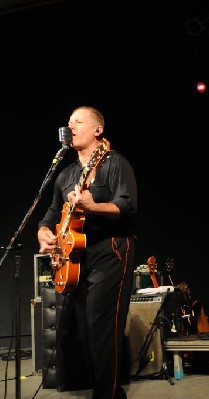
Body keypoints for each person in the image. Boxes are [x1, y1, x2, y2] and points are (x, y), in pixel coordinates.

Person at [37, 105, 138, 398]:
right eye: (69, 123)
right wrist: (44, 232)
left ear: (98, 130)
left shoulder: (115, 164)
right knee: (84, 332)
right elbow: (51, 215)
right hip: (77, 258)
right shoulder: (65, 174)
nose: (71, 127)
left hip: (111, 250)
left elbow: (127, 206)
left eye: (78, 122)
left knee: (103, 329)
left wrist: (93, 206)